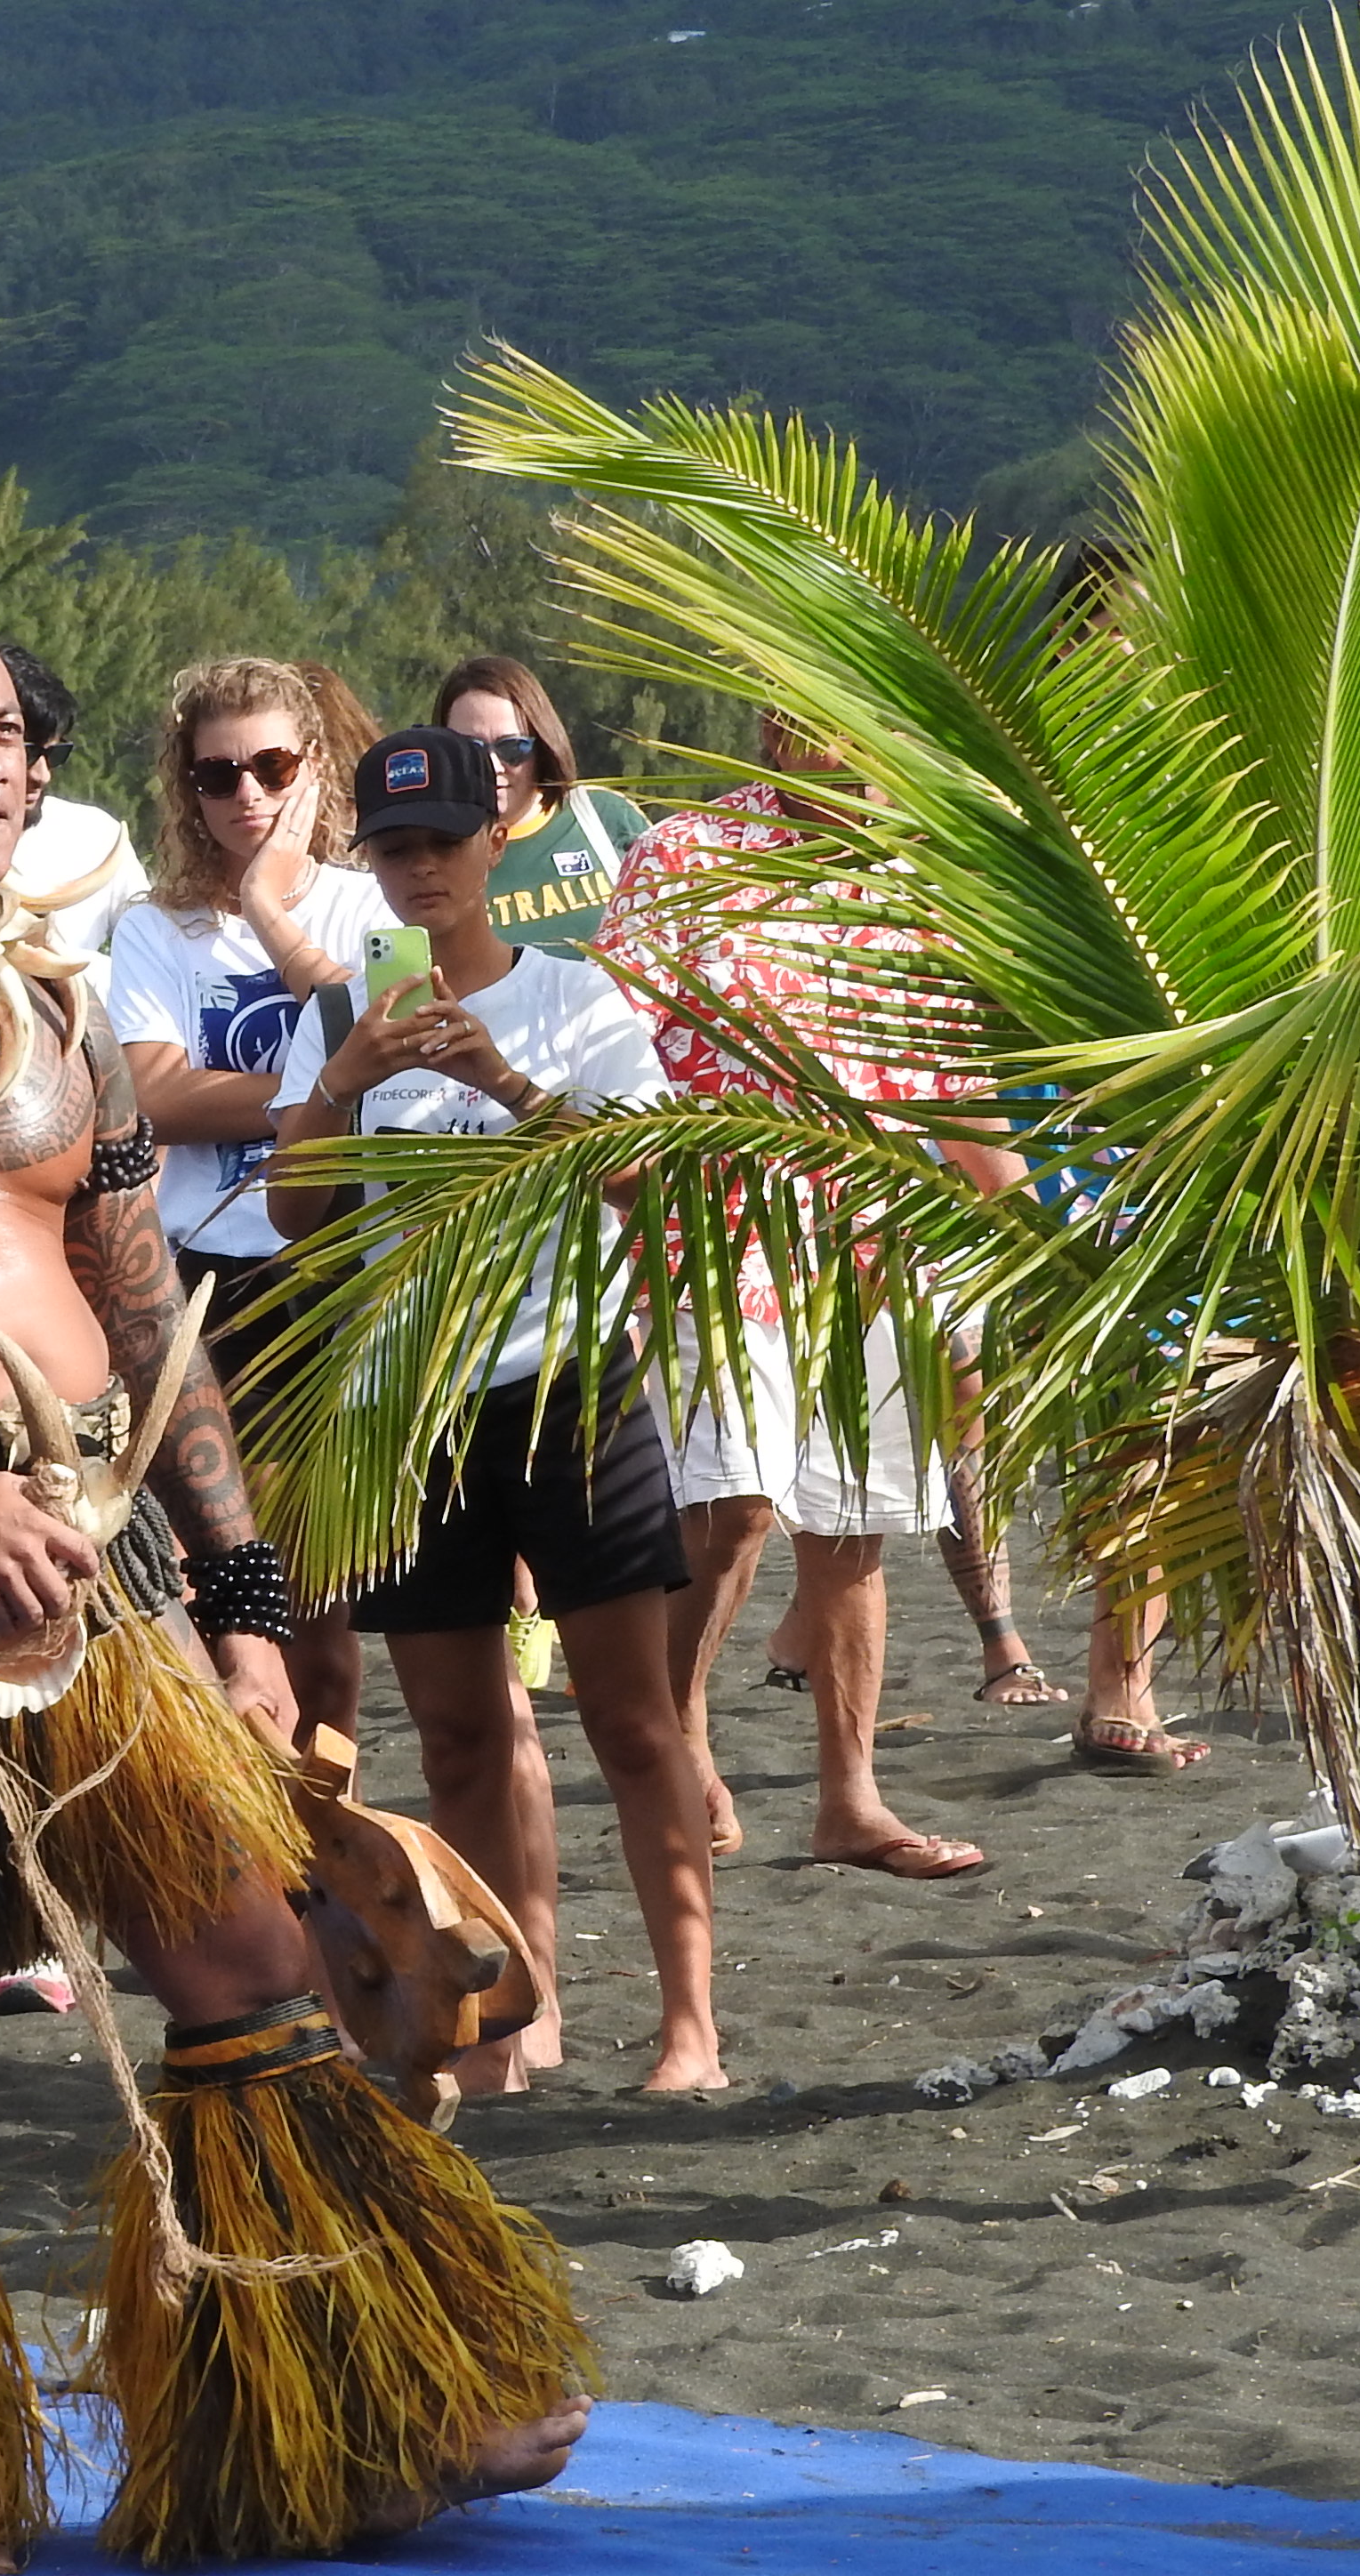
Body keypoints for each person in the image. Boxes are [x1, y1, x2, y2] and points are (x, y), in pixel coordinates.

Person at [0, 546, 591, 2576]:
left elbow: (149, 1320)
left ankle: (344, 2402)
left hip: (79, 1547)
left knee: (245, 1963)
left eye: (6, 726)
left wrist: (239, 1601)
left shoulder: (58, 996)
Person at [270, 725, 726, 2098]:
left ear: (493, 843)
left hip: (567, 1384)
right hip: (413, 1402)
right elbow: (299, 1226)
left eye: (442, 844)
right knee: (462, 1736)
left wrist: (507, 1088)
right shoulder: (339, 1013)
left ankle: (689, 2029)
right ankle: (505, 2035)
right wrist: (344, 1084)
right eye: (393, 849)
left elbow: (646, 1193)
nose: (419, 873)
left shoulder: (577, 999)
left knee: (634, 1722)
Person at [606, 720, 1008, 1879]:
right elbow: (614, 1040)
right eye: (835, 725)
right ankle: (674, 1728)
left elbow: (954, 1081)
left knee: (852, 1528)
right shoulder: (686, 854)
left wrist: (1010, 1235)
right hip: (711, 1222)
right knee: (732, 1506)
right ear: (784, 728)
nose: (866, 755)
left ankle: (850, 1800)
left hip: (878, 1234)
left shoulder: (925, 879)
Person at [105, 656, 386, 1743]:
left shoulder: (372, 897)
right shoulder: (152, 927)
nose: (248, 797)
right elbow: (155, 1094)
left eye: (272, 765)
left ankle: (328, 1841)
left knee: (328, 1617)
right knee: (227, 1594)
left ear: (316, 768)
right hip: (208, 1279)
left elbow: (393, 1050)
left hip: (341, 1272)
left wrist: (272, 908)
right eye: (217, 776)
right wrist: (322, 1093)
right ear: (187, 789)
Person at [432, 656, 649, 963]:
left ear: (543, 745)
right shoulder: (429, 853)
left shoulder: (604, 818)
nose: (493, 766)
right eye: (471, 750)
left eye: (512, 748)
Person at [4, 642, 142, 967]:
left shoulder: (96, 838)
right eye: (27, 753)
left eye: (55, 754)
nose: (42, 775)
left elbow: (153, 954)